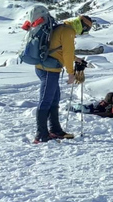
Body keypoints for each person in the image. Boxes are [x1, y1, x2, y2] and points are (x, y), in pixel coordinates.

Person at [34, 14, 93, 143]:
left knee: (54, 100)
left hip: (46, 67)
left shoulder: (63, 27)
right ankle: (41, 135)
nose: (85, 32)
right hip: (49, 69)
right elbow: (66, 53)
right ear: (82, 26)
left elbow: (61, 50)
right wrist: (71, 73)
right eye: (87, 29)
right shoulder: (68, 32)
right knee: (46, 100)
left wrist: (76, 59)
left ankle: (55, 130)